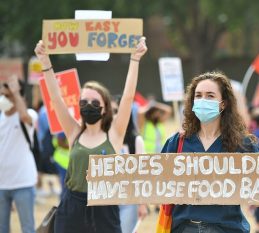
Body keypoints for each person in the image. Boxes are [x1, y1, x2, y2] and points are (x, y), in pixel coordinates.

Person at [160, 72, 259, 233]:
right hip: (184, 229)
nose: (203, 100)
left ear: (223, 104)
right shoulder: (177, 142)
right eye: (198, 95)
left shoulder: (243, 144)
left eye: (210, 96)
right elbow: (156, 185)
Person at [34, 37, 147, 233]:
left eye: (95, 103)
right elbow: (55, 98)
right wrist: (45, 62)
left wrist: (135, 59)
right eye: (84, 102)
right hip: (72, 207)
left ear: (105, 109)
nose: (89, 106)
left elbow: (128, 97)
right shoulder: (74, 132)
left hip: (105, 209)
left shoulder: (115, 134)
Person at [0, 77, 38, 233]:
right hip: (2, 184)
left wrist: (15, 93)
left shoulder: (29, 114)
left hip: (23, 183)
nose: (3, 99)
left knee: (27, 227)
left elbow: (24, 118)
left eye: (7, 96)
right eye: (2, 95)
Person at [112, 96, 148, 233]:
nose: (116, 115)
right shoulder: (103, 138)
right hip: (107, 201)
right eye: (113, 111)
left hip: (128, 200)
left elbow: (142, 173)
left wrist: (142, 204)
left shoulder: (135, 140)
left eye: (119, 110)